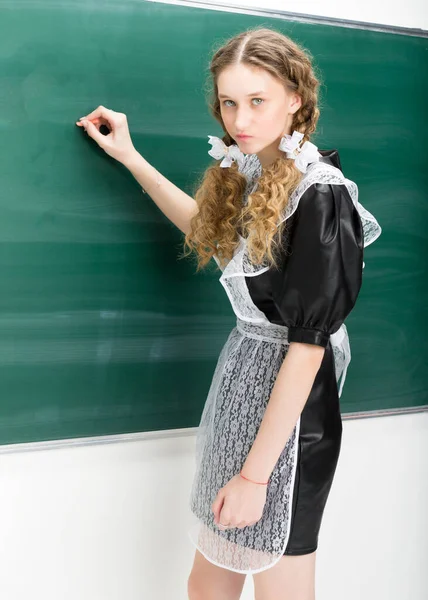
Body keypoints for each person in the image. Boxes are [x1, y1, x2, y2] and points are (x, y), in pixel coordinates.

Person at [76, 26, 381, 600]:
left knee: (280, 587)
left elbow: (308, 344)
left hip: (289, 422)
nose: (240, 119)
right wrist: (130, 157)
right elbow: (209, 233)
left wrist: (254, 475)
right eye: (229, 102)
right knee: (208, 586)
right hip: (239, 390)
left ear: (296, 99)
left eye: (258, 101)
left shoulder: (320, 194)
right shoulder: (250, 170)